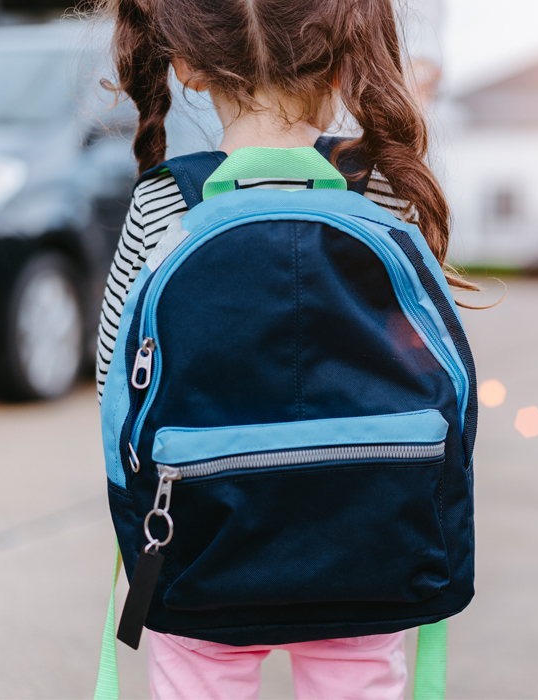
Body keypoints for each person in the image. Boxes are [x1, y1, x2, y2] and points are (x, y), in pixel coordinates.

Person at [93, 1, 474, 698]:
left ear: (187, 65)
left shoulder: (161, 204)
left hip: (199, 547)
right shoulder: (383, 191)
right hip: (371, 552)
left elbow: (112, 390)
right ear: (344, 59)